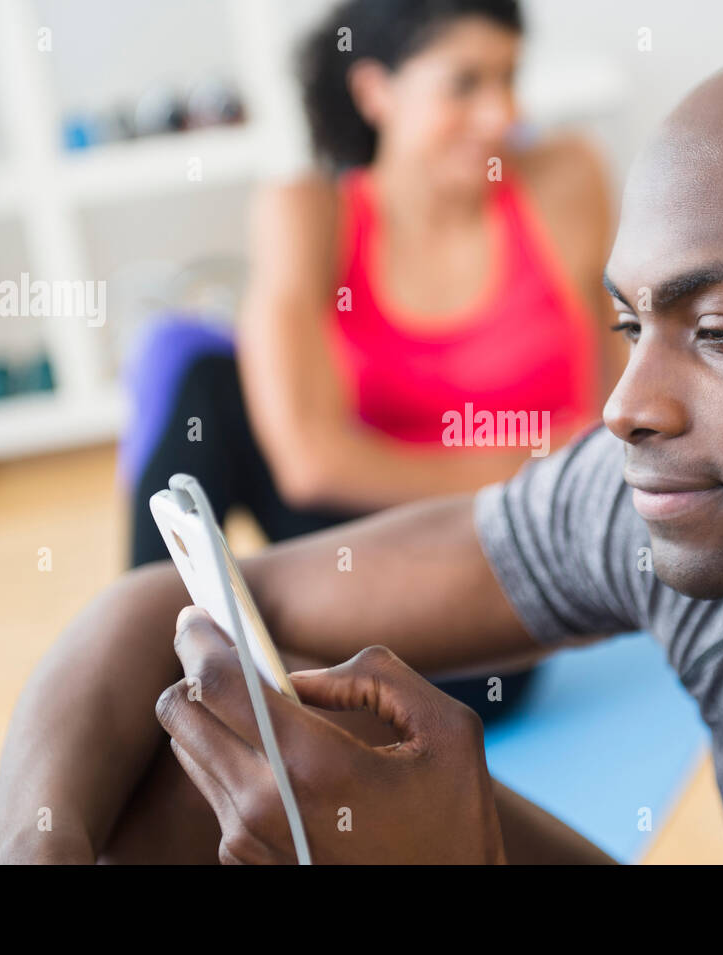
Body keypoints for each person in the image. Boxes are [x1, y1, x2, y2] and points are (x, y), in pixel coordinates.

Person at [0, 28, 723, 865]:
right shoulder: (697, 502)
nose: (626, 405)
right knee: (210, 785)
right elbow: (154, 608)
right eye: (631, 325)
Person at [120, 0, 621, 725]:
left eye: (510, 78)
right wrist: (512, 469)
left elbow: (614, 410)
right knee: (206, 382)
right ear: (374, 90)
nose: (502, 113)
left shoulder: (562, 179)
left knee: (472, 676)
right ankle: (141, 664)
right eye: (465, 84)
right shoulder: (310, 211)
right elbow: (308, 463)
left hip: (494, 581)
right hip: (362, 547)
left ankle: (255, 674)